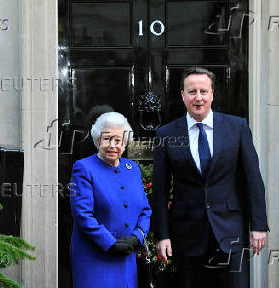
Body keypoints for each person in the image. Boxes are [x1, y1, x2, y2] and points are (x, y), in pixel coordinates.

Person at [152, 67, 269, 288]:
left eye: (203, 91)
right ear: (182, 95)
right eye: (192, 91)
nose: (198, 97)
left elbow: (252, 179)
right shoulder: (166, 134)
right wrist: (162, 235)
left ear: (212, 94)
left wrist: (258, 226)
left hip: (231, 232)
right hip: (187, 235)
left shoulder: (237, 127)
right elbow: (159, 189)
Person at [69, 112, 151, 288]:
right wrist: (110, 243)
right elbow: (82, 215)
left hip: (126, 257)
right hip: (95, 257)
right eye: (107, 139)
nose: (113, 145)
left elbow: (145, 210)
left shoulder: (132, 168)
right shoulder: (84, 168)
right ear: (98, 140)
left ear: (125, 142)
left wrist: (137, 238)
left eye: (118, 140)